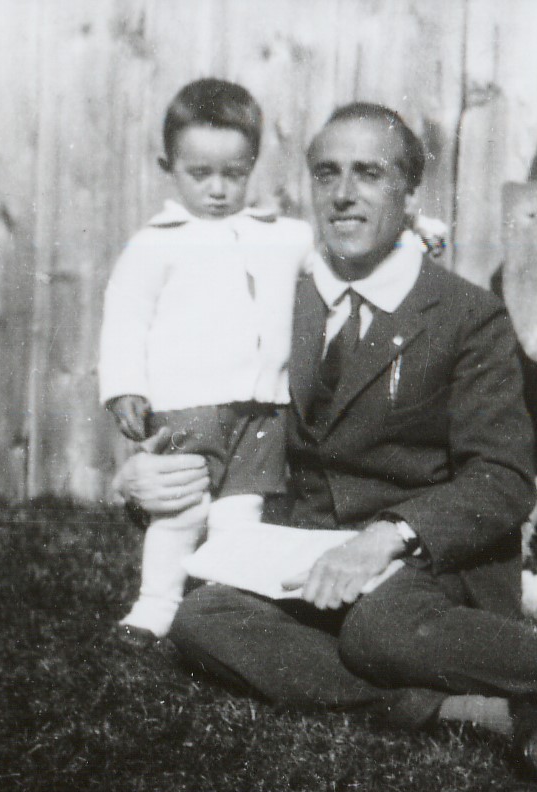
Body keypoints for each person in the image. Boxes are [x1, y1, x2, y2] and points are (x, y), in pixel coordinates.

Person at [113, 103, 537, 779]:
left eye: (369, 174)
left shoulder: (466, 316)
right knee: (201, 616)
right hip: (306, 561)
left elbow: (502, 479)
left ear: (410, 194)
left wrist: (386, 538)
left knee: (378, 630)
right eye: (327, 174)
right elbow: (219, 416)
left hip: (430, 567)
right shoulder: (275, 301)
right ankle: (471, 711)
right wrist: (141, 480)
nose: (344, 194)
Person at [98, 78, 313, 641]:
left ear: (252, 165)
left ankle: (222, 608)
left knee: (240, 513)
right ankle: (155, 605)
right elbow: (125, 316)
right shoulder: (155, 243)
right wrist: (124, 386)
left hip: (263, 407)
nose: (218, 189)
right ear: (168, 166)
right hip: (186, 405)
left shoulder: (281, 236)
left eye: (234, 174)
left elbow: (343, 260)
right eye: (200, 174)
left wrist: (412, 237)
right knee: (181, 507)